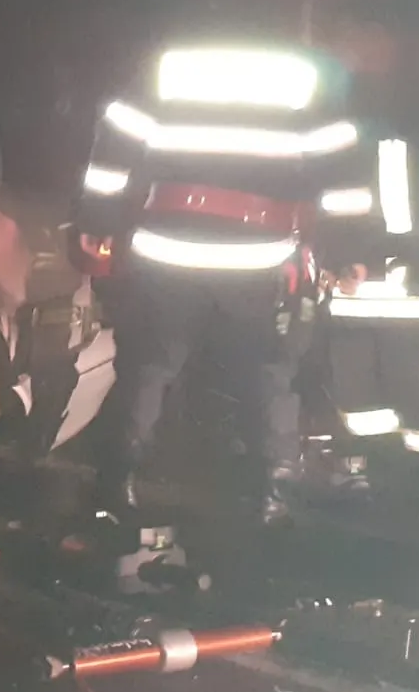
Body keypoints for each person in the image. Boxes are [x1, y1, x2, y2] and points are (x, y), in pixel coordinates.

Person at [75, 40, 360, 523]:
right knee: (268, 374)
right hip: (259, 257)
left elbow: (115, 145)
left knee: (148, 369)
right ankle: (271, 492)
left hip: (166, 249)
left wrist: (97, 219)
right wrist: (349, 250)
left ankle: (113, 485)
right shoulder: (300, 75)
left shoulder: (171, 64)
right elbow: (340, 171)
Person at [310, 20, 419, 499]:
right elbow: (335, 201)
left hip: (416, 292)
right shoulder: (351, 122)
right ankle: (383, 479)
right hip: (362, 293)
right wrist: (341, 259)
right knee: (360, 395)